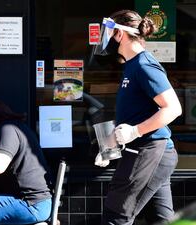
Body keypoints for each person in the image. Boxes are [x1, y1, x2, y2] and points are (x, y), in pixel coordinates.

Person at [92, 10, 182, 224]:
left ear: (120, 35)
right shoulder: (131, 66)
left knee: (116, 217)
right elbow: (135, 111)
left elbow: (173, 108)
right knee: (161, 219)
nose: (106, 40)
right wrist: (110, 145)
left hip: (148, 152)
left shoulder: (144, 65)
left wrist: (135, 131)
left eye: (109, 33)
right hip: (153, 153)